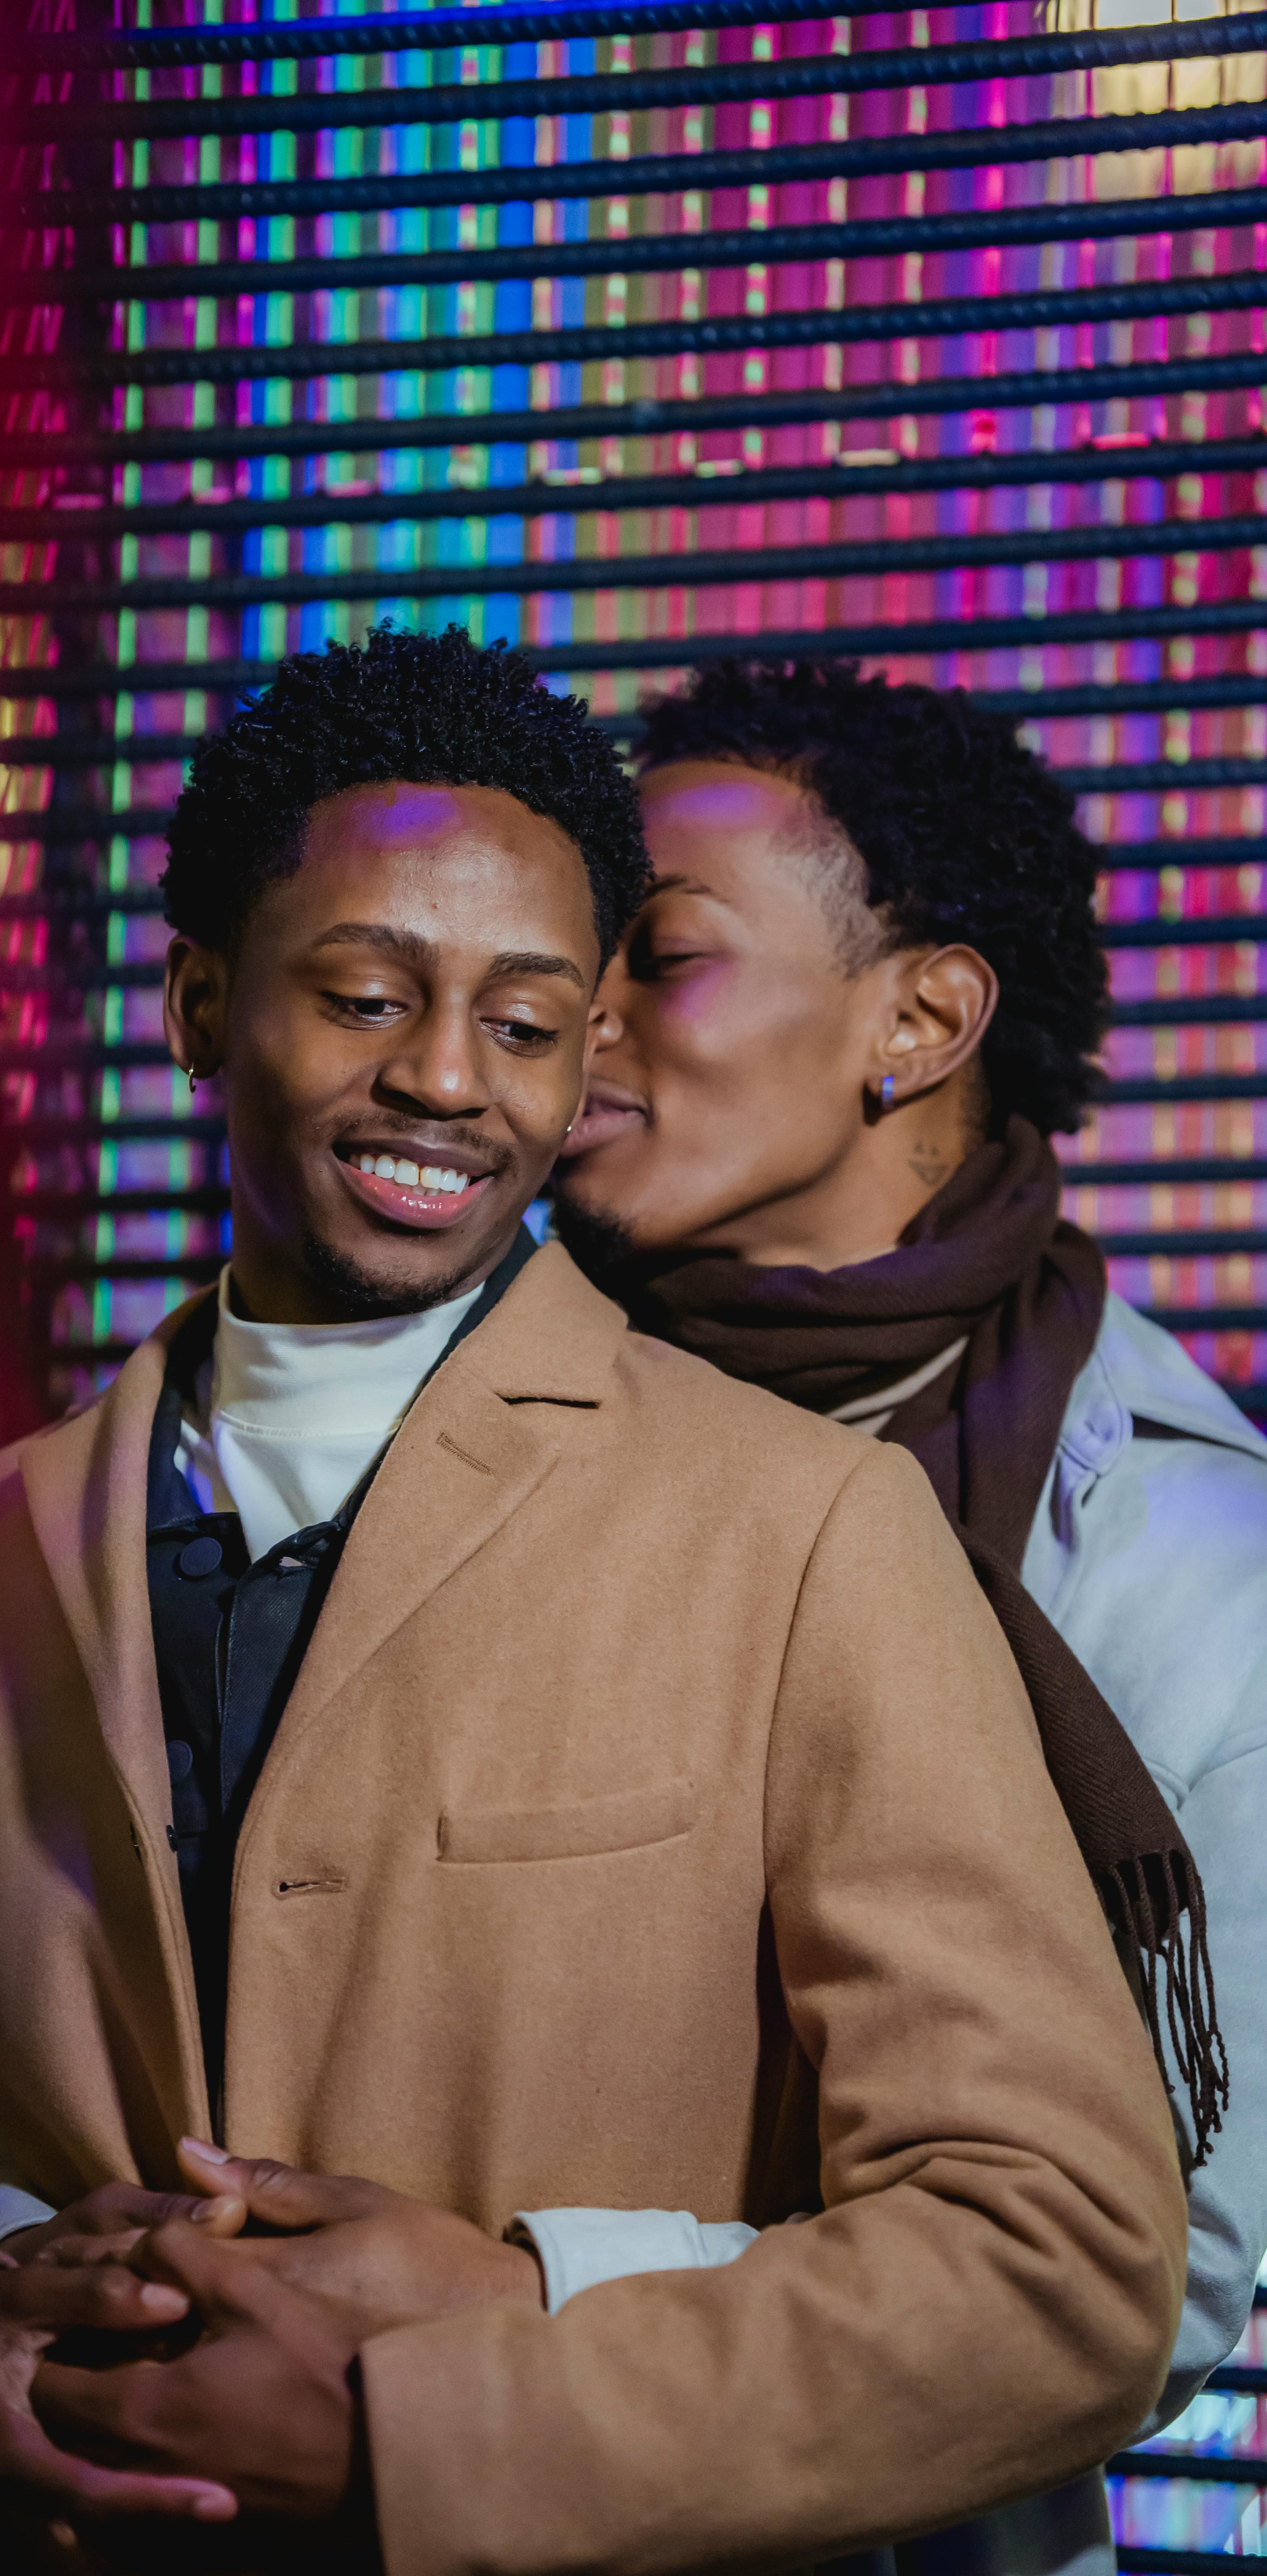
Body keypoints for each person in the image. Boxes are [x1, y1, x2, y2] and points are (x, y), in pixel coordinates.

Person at [0, 629, 1187, 2576]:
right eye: (365, 995)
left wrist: (437, 2433)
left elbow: (1059, 2260)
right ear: (199, 1003)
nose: (441, 1081)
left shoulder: (809, 1532)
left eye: (524, 1021)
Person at [550, 653, 1267, 2576]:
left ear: (923, 1016)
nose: (576, 1017)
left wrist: (498, 2305)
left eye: (664, 957)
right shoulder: (458, 1418)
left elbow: (1150, 2274)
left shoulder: (1187, 1557)